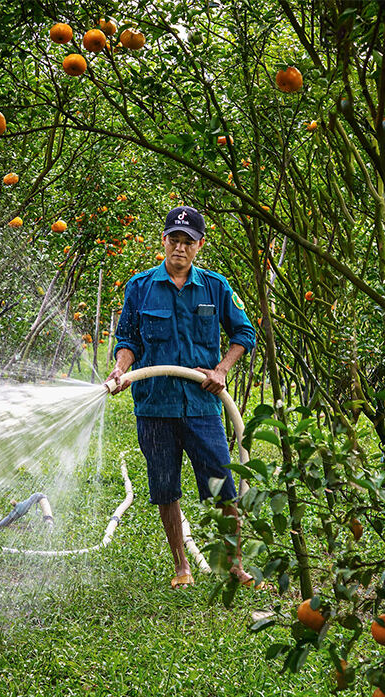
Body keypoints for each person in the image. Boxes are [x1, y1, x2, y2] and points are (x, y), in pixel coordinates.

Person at [105, 205, 257, 589]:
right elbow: (128, 340)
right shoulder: (139, 287)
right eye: (174, 239)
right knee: (165, 486)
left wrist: (221, 370)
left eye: (188, 241)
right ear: (164, 241)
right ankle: (181, 566)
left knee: (221, 484)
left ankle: (234, 565)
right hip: (155, 405)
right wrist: (123, 368)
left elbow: (245, 334)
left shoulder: (217, 287)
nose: (180, 247)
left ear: (199, 245)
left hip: (202, 406)